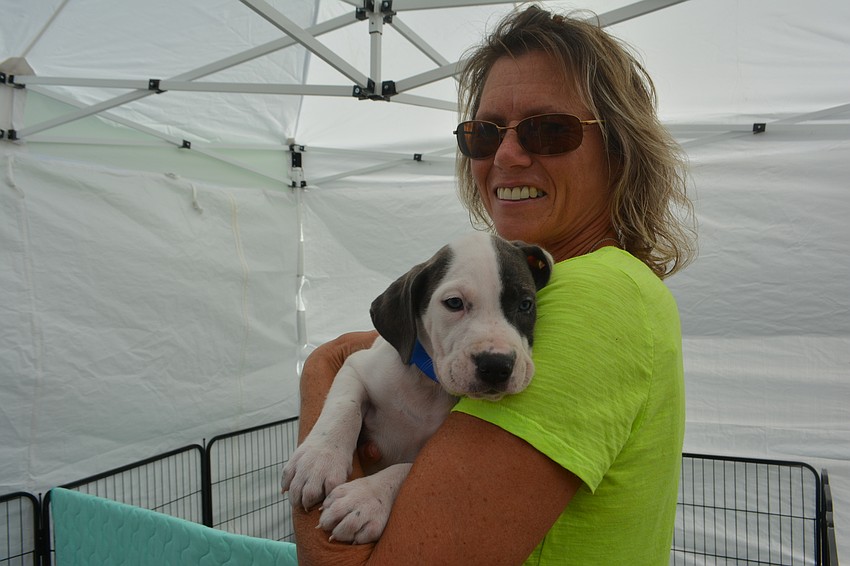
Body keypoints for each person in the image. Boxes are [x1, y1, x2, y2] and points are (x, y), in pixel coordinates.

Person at [289, 5, 696, 565]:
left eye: (549, 130)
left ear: (620, 150)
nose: (505, 154)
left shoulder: (596, 296)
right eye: (483, 133)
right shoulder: (553, 282)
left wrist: (321, 372)